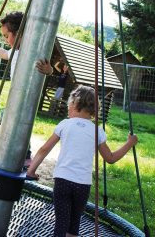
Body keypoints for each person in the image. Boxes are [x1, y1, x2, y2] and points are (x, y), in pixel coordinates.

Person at [27, 85, 138, 237]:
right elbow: (110, 158)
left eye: (68, 105)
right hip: (82, 185)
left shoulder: (65, 124)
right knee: (73, 225)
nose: (68, 109)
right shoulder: (97, 130)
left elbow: (44, 149)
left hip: (62, 181)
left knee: (61, 224)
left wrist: (31, 171)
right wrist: (129, 143)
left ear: (74, 103)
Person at [0, 12, 53, 167]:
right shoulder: (14, 51)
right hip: (16, 94)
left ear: (19, 33)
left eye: (6, 35)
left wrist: (49, 70)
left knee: (15, 121)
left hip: (27, 95)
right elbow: (4, 55)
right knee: (5, 118)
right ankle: (5, 151)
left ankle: (26, 155)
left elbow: (48, 69)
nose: (5, 40)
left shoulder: (32, 51)